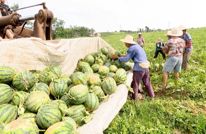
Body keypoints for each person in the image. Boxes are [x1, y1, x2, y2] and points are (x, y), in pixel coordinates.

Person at [112, 35, 155, 100]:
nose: (124, 44)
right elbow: (129, 55)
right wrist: (121, 55)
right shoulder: (137, 46)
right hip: (146, 66)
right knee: (147, 82)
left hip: (139, 68)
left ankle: (135, 100)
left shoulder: (131, 48)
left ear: (127, 43)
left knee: (136, 84)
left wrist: (117, 58)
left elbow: (126, 59)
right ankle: (152, 96)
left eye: (125, 43)